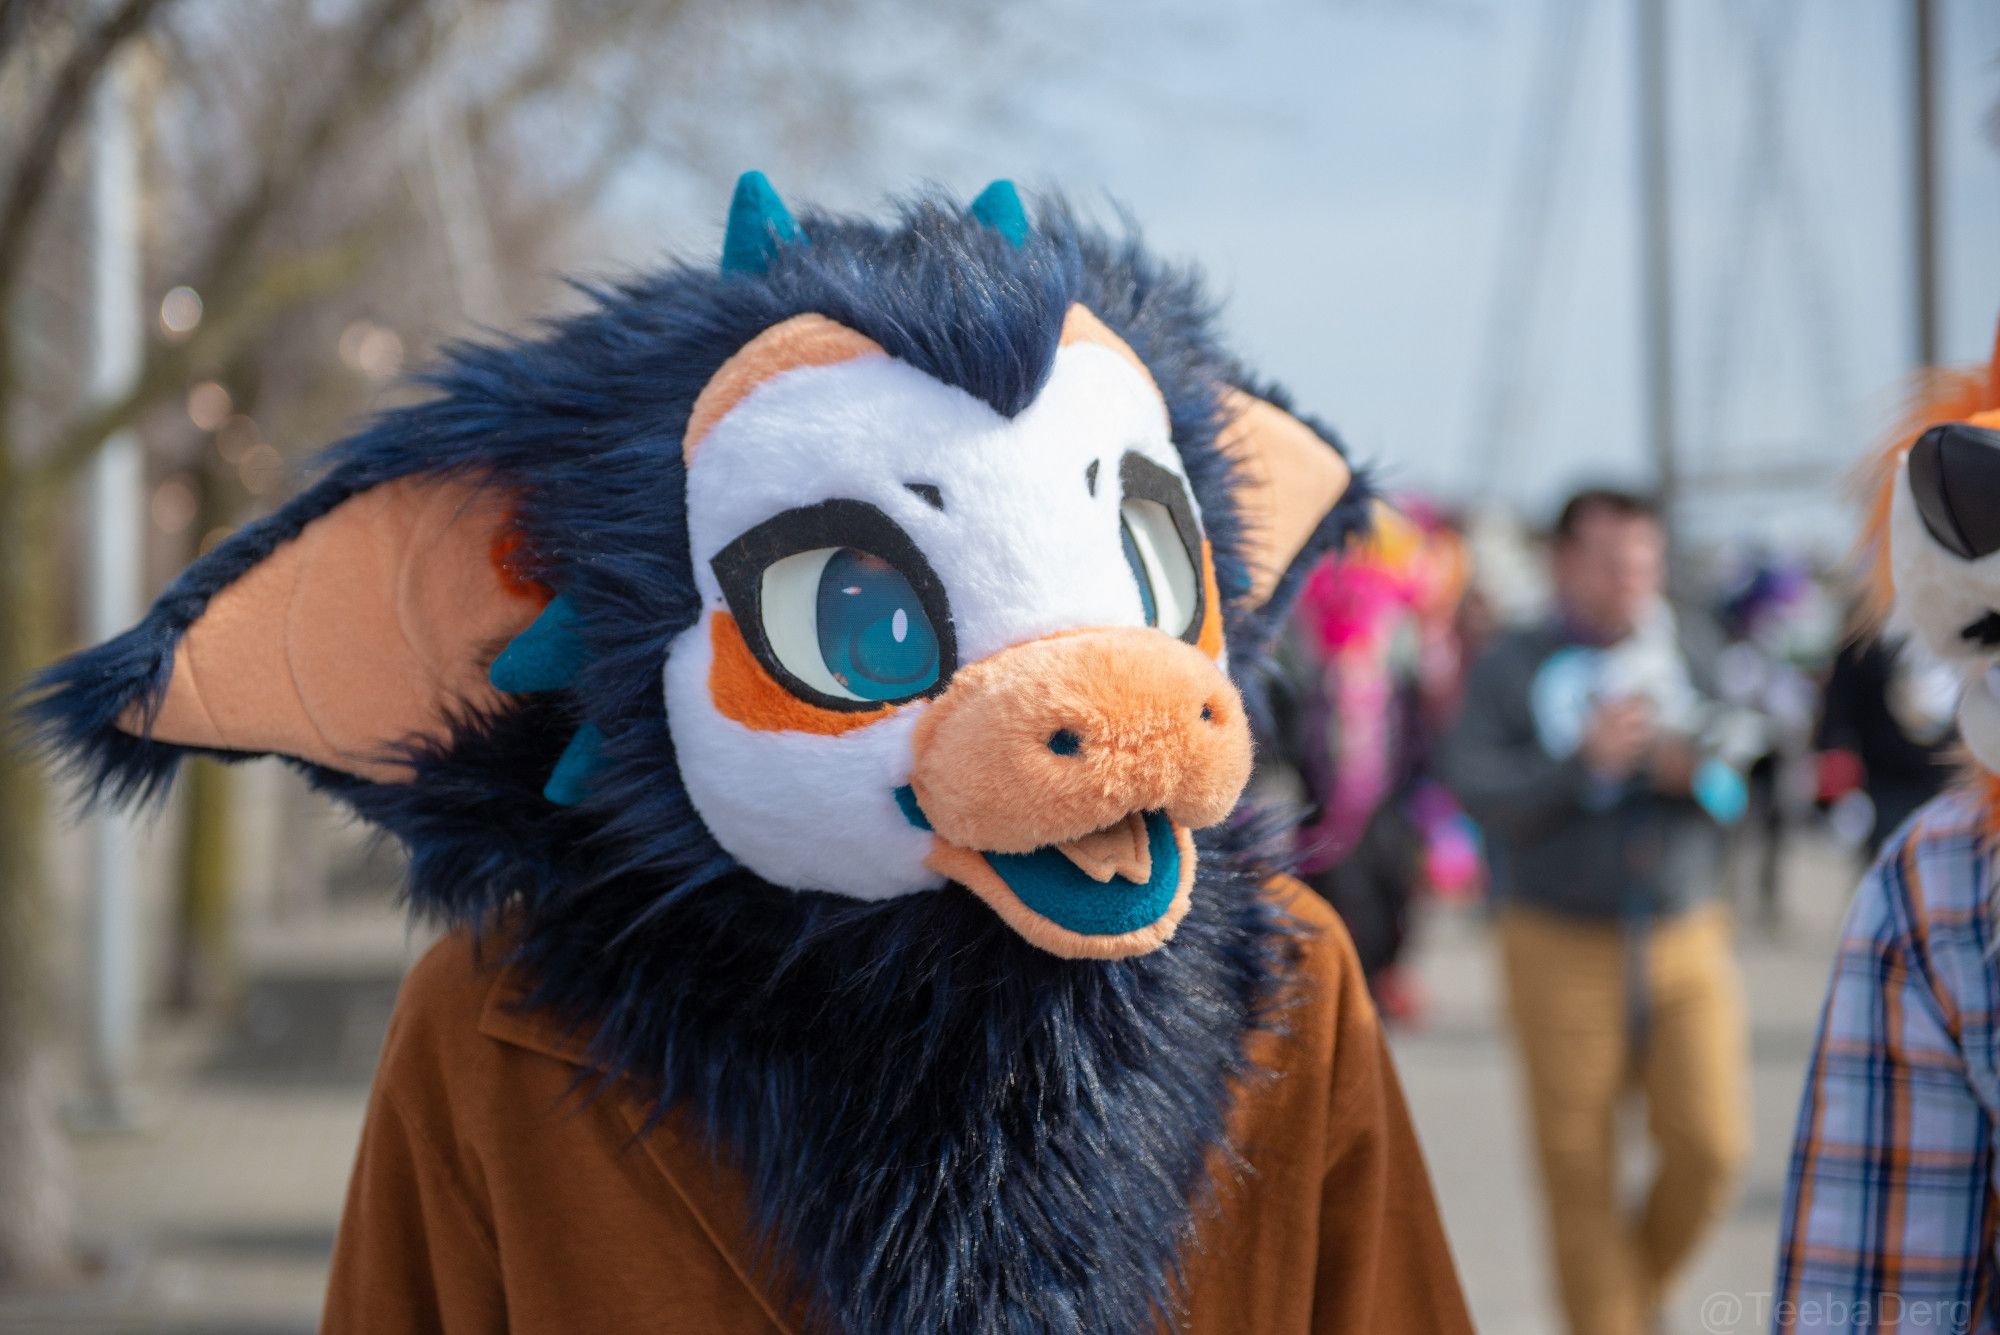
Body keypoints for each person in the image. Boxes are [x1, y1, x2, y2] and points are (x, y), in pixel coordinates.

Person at [1443, 488, 1750, 1335]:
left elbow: (1751, 759)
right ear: (1564, 562)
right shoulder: (1513, 661)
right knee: (1577, 1169)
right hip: (1556, 935)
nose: (1634, 581)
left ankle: (1626, 1301)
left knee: (1712, 1146)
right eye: (1615, 563)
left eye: (1646, 562)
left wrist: (1700, 772)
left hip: (1686, 926)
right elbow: (1476, 786)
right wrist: (1582, 764)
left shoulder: (1689, 638)